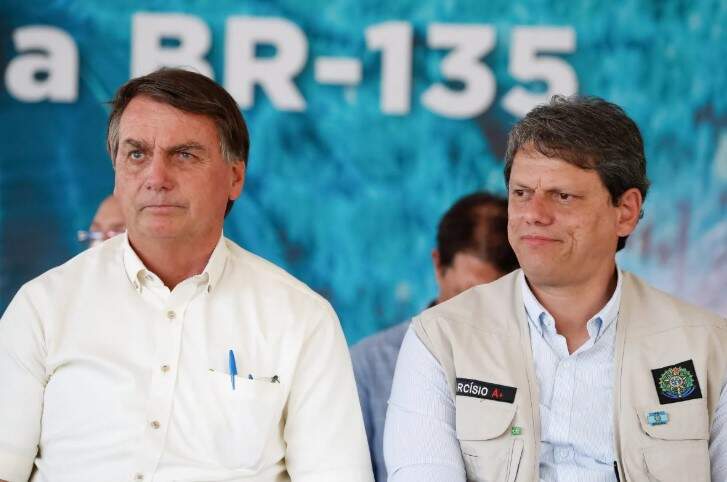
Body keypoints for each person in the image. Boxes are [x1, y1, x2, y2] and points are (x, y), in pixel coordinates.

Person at [0, 68, 373, 482]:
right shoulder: (43, 307)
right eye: (137, 154)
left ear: (235, 177)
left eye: (184, 155)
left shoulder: (301, 320)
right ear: (116, 172)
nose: (156, 178)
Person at [384, 95, 727, 482]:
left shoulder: (710, 347)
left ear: (626, 212)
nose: (534, 214)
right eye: (521, 193)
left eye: (563, 196)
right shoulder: (440, 338)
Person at [351, 192, 518, 481]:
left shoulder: (535, 359)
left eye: (493, 301)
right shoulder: (367, 366)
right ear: (438, 266)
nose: (476, 318)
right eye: (463, 297)